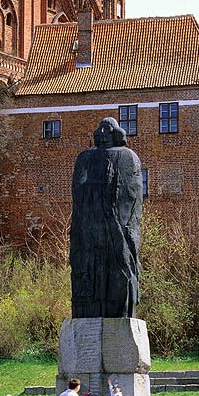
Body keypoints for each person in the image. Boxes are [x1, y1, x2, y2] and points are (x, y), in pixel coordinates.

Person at [70, 117, 143, 319]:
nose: (101, 134)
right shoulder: (84, 158)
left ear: (115, 133)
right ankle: (88, 308)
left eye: (107, 129)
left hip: (115, 224)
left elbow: (132, 194)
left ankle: (119, 309)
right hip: (89, 224)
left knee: (119, 266)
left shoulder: (127, 156)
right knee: (86, 267)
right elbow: (77, 191)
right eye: (100, 129)